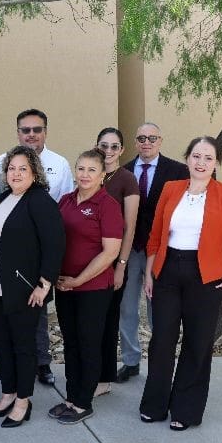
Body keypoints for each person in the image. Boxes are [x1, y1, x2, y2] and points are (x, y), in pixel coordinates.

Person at [140, 136, 222, 431]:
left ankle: (186, 410)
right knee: (161, 341)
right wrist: (148, 273)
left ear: (216, 163)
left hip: (205, 278)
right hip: (167, 272)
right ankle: (154, 406)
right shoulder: (171, 189)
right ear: (187, 159)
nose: (201, 163)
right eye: (196, 156)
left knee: (197, 343)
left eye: (208, 158)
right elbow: (155, 237)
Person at [0, 146, 65, 428]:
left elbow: (55, 244)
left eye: (22, 168)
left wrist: (43, 284)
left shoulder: (39, 201)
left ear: (35, 172)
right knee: (2, 345)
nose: (15, 173)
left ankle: (23, 400)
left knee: (23, 347)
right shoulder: (5, 197)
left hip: (24, 290)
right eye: (11, 168)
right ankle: (8, 392)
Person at [0, 108, 73, 384]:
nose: (31, 134)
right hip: (4, 254)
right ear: (18, 132)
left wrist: (47, 274)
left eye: (37, 129)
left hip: (34, 255)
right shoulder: (1, 161)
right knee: (2, 317)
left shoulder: (60, 164)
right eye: (25, 130)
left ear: (45, 131)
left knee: (36, 315)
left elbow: (64, 206)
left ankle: (41, 363)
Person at [50, 148, 122, 424]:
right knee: (71, 343)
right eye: (81, 168)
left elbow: (110, 252)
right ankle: (70, 396)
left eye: (92, 170)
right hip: (64, 286)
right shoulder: (66, 201)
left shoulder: (108, 205)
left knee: (88, 343)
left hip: (92, 288)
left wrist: (79, 280)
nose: (85, 174)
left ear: (102, 175)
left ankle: (83, 402)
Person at [116, 122, 188, 383]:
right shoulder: (123, 172)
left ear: (160, 141)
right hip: (130, 248)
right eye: (141, 138)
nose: (146, 142)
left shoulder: (178, 171)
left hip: (161, 251)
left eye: (152, 138)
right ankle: (130, 361)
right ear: (135, 142)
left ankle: (161, 362)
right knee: (127, 308)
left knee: (158, 308)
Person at [94, 128, 139, 397]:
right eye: (104, 145)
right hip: (90, 261)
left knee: (109, 321)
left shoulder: (127, 180)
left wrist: (121, 265)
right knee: (92, 321)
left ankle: (104, 379)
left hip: (113, 262)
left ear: (122, 150)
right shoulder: (92, 174)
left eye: (114, 146)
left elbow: (129, 227)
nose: (108, 151)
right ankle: (91, 373)